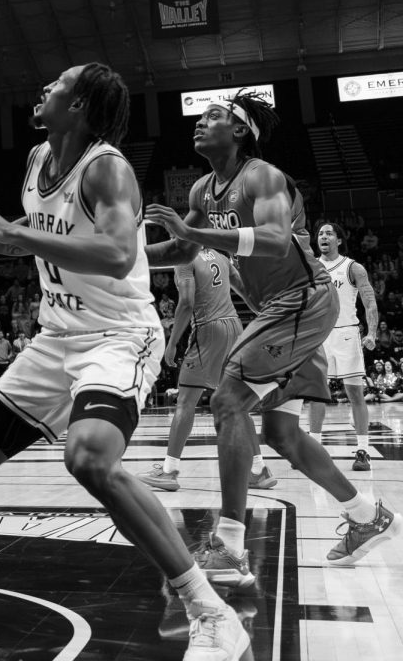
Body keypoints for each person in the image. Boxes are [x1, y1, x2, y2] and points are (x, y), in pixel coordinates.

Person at [0, 63, 248, 661]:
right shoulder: (36, 161)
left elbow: (113, 252)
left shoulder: (107, 168)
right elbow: (35, 227)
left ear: (79, 105)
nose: (43, 90)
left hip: (117, 336)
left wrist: (8, 231)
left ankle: (210, 611)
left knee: (89, 457)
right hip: (56, 337)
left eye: (56, 85)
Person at [145, 91, 397, 586]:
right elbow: (180, 246)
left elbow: (278, 239)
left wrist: (199, 235)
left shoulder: (263, 176)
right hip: (280, 311)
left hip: (303, 300)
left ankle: (231, 545)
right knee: (280, 434)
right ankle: (367, 514)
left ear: (239, 130)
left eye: (213, 116)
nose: (200, 122)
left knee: (227, 400)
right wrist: (109, 256)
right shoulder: (201, 191)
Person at [139, 247, 276, 492]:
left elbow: (187, 303)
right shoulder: (222, 257)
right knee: (237, 402)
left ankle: (169, 470)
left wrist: (171, 345)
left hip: (208, 329)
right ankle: (259, 470)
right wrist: (265, 314)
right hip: (235, 325)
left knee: (185, 400)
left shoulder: (184, 258)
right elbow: (245, 290)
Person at [305, 222, 378, 470]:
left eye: (328, 233)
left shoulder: (352, 267)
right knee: (316, 394)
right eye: (320, 234)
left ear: (338, 240)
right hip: (319, 335)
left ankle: (363, 451)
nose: (323, 237)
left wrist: (372, 333)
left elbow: (369, 302)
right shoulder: (311, 266)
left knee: (355, 393)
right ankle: (313, 449)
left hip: (347, 333)